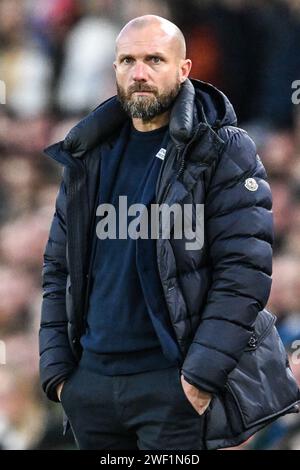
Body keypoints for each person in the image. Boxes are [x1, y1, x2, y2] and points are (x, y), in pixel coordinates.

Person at [39, 15, 297, 450]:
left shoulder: (223, 147)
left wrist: (197, 380)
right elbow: (57, 267)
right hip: (92, 389)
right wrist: (59, 375)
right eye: (128, 60)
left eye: (154, 59)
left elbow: (245, 272)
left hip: (172, 389)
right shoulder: (89, 151)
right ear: (116, 69)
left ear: (184, 70)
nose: (140, 73)